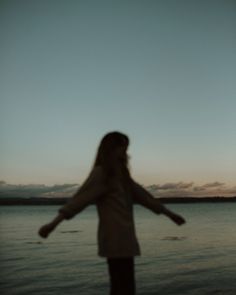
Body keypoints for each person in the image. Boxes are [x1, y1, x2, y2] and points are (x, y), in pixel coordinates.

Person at [38, 131, 186, 295]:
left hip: (126, 239)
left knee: (126, 287)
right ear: (110, 149)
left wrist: (170, 214)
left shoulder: (122, 178)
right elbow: (79, 201)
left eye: (126, 149)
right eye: (122, 148)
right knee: (121, 287)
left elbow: (146, 198)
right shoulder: (102, 174)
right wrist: (53, 224)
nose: (125, 153)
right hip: (114, 239)